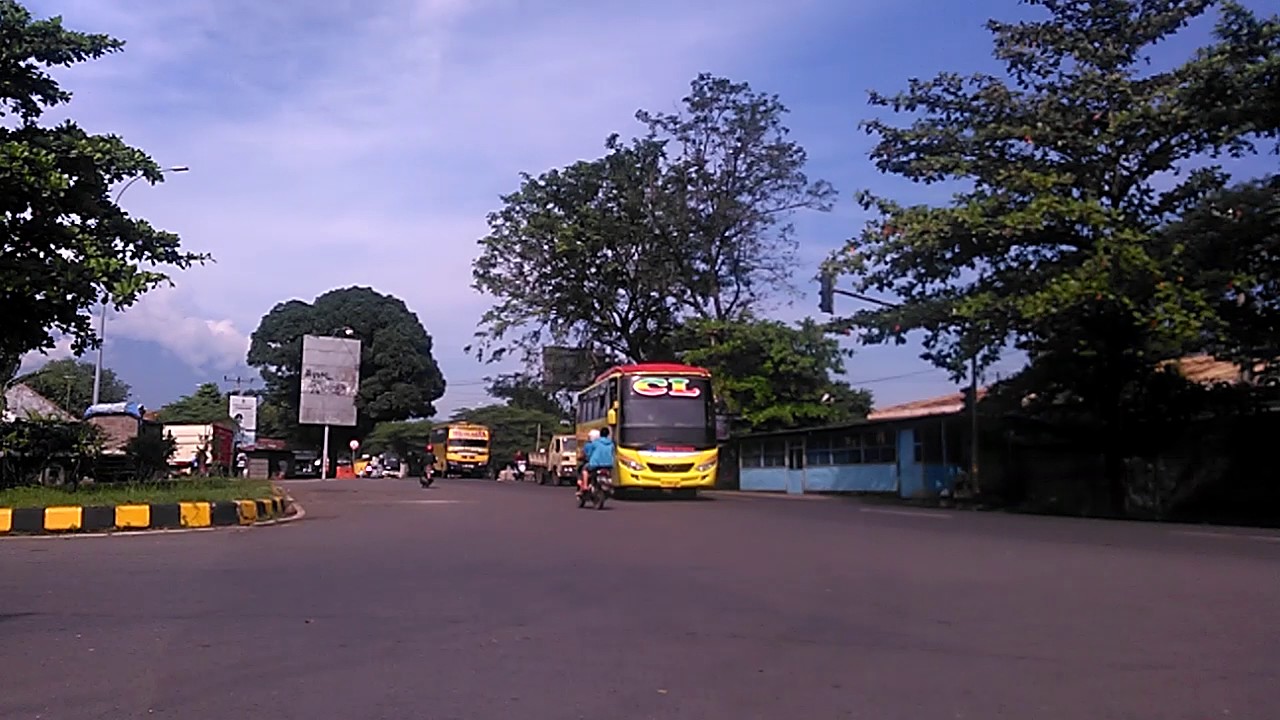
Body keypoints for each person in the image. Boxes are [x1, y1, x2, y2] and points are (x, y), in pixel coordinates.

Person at [579, 427, 615, 495]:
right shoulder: (611, 444)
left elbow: (589, 454)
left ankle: (585, 486)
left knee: (585, 470)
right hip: (608, 465)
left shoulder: (595, 443)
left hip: (595, 464)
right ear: (608, 435)